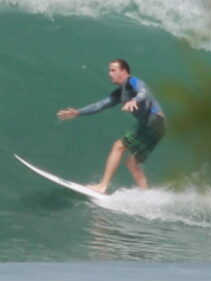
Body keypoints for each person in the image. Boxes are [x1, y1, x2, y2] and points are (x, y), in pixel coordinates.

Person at [55, 58, 168, 193]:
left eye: (113, 70)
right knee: (132, 163)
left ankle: (103, 186)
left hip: (154, 121)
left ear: (124, 71)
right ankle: (146, 196)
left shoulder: (133, 82)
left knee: (118, 146)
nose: (110, 73)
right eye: (109, 70)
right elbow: (101, 105)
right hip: (158, 126)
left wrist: (135, 100)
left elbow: (144, 93)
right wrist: (78, 113)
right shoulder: (120, 94)